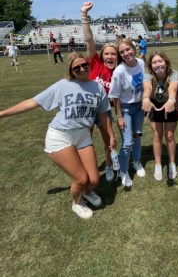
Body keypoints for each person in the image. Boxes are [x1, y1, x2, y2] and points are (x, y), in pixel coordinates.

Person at [0, 52, 116, 220]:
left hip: (83, 135)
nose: (82, 69)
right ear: (71, 70)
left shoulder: (97, 87)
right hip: (60, 136)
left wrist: (111, 136)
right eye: (77, 68)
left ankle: (87, 192)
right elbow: (34, 102)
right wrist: (3, 113)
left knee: (94, 180)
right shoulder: (62, 85)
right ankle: (77, 203)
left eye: (85, 65)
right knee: (82, 179)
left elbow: (104, 114)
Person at [81, 1, 118, 181]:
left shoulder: (118, 72)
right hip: (87, 109)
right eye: (107, 54)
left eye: (113, 54)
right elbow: (89, 39)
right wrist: (84, 15)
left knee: (107, 140)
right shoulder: (94, 63)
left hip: (104, 111)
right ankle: (87, 170)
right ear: (101, 55)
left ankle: (110, 166)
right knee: (85, 142)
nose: (110, 56)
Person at [108, 38, 145, 188]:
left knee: (137, 135)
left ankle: (136, 161)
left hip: (139, 106)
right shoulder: (119, 71)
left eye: (128, 49)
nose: (126, 53)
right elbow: (115, 96)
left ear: (133, 48)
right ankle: (123, 171)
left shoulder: (141, 63)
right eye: (122, 52)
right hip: (125, 108)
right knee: (127, 142)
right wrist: (119, 116)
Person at [142, 51, 178, 181]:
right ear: (151, 66)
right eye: (154, 62)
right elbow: (147, 88)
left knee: (169, 136)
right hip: (155, 106)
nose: (158, 64)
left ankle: (172, 163)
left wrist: (171, 100)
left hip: (170, 105)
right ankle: (158, 164)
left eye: (160, 61)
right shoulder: (148, 75)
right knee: (157, 136)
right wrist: (146, 99)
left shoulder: (174, 74)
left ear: (166, 62)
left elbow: (173, 89)